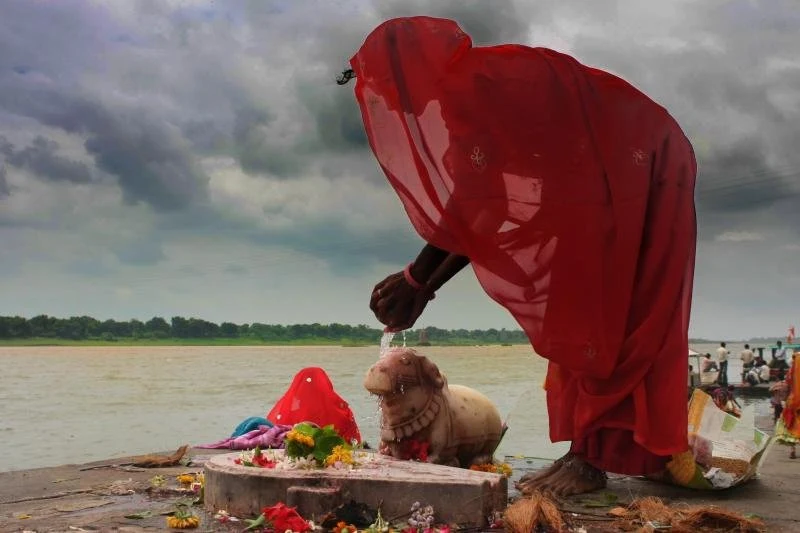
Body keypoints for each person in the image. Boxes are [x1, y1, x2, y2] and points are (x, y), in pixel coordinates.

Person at [349, 16, 697, 496]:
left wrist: (415, 279)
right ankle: (596, 449)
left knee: (603, 310)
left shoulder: (476, 87)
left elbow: (477, 201)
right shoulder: (470, 90)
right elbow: (481, 218)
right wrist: (422, 284)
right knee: (581, 306)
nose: (391, 103)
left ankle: (589, 459)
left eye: (386, 88)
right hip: (605, 174)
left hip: (637, 160)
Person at [266, 367, 362, 444]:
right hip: (335, 458)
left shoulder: (285, 413)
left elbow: (271, 438)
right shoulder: (343, 413)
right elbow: (354, 443)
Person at [774, 352, 799, 459]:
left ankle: (792, 450)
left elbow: (787, 386)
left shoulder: (790, 372)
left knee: (791, 424)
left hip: (792, 401)